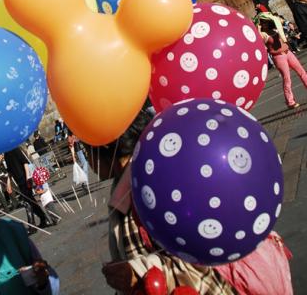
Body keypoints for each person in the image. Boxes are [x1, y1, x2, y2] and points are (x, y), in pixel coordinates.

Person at [89, 110, 292, 295]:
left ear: (104, 146)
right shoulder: (159, 161)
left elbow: (198, 258)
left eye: (86, 148)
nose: (88, 162)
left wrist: (137, 274)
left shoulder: (136, 194)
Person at [259, 12, 307, 109]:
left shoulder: (275, 29)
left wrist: (278, 19)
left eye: (266, 22)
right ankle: (290, 102)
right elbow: (258, 36)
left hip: (288, 53)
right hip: (278, 57)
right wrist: (258, 27)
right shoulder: (263, 34)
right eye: (263, 22)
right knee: (287, 78)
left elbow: (280, 21)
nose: (265, 24)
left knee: (302, 72)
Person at [4, 147, 51, 233]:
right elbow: (9, 171)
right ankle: (43, 218)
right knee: (30, 200)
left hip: (24, 178)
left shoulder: (15, 149)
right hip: (18, 181)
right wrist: (8, 183)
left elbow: (25, 162)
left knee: (28, 201)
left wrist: (27, 177)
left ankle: (34, 224)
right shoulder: (6, 154)